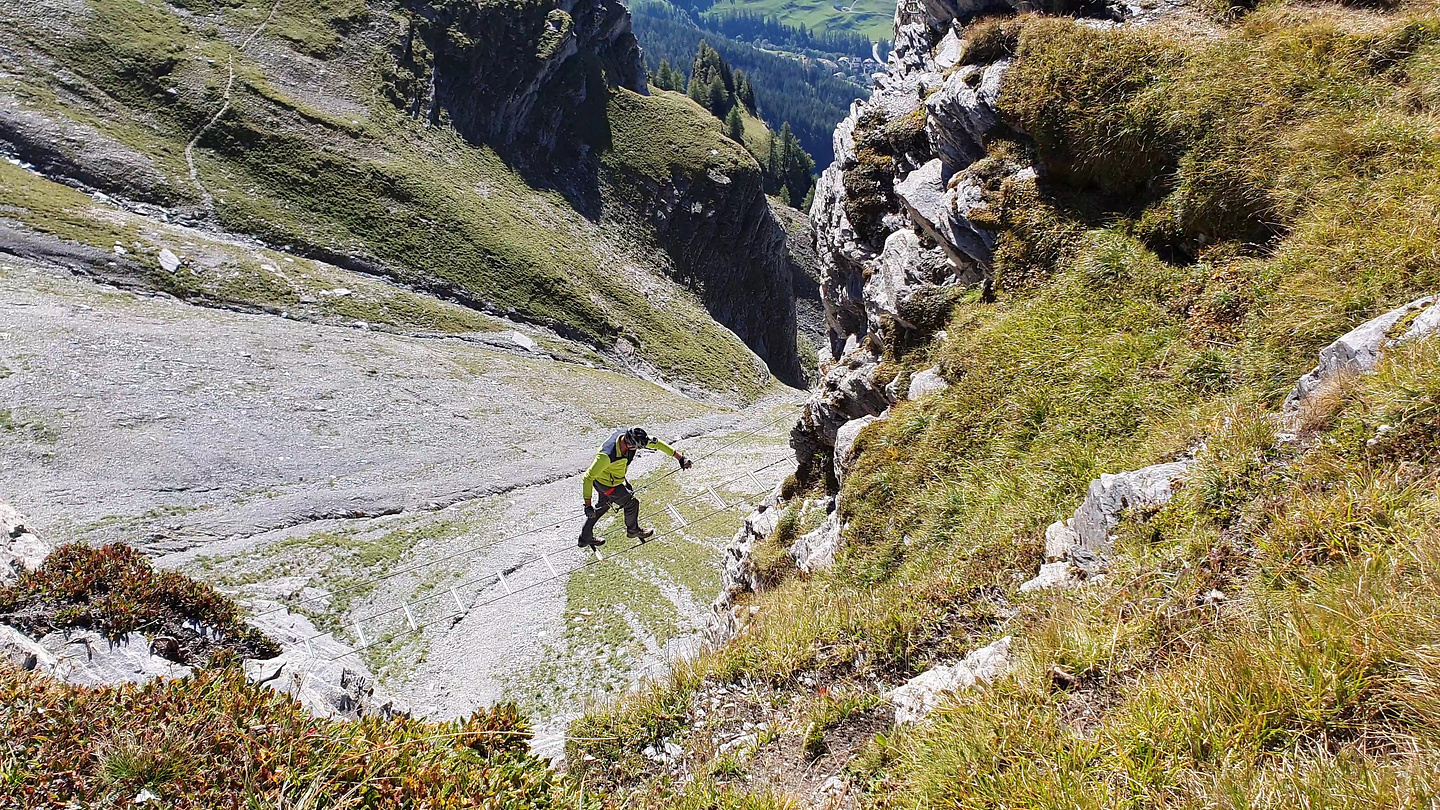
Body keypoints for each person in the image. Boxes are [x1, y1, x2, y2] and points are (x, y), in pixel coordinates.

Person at [580, 426, 691, 548]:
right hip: (606, 484)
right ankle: (633, 531)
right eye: (637, 448)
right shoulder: (606, 455)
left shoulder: (634, 437)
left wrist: (680, 458)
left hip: (611, 478)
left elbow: (657, 443)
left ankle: (585, 538)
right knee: (631, 503)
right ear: (629, 444)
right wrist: (587, 505)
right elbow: (588, 477)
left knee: (604, 505)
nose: (638, 449)